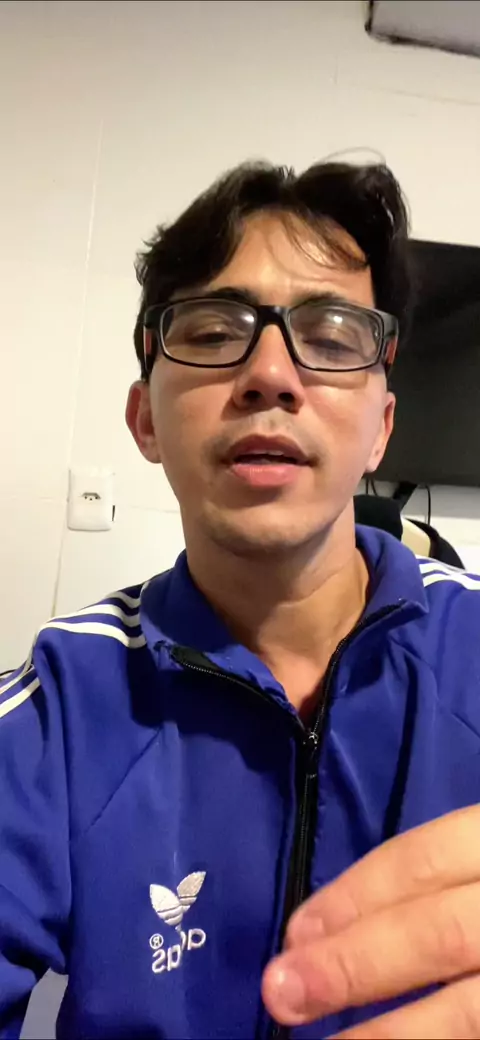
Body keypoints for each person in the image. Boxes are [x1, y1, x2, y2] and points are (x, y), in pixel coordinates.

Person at [2, 160, 480, 1040]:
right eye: (215, 331)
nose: (270, 374)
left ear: (381, 427)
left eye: (330, 336)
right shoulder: (57, 707)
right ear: (146, 419)